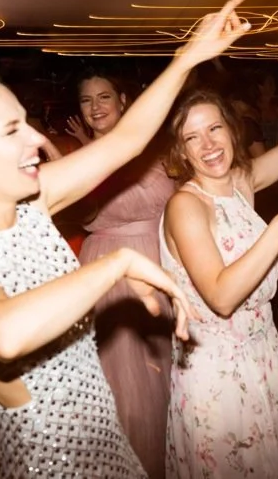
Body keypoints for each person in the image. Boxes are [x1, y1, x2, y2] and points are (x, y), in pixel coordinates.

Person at [0, 0, 249, 478]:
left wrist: (189, 55)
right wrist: (116, 263)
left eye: (28, 123)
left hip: (111, 449)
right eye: (11, 130)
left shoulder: (35, 203)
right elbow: (4, 334)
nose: (36, 141)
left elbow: (127, 140)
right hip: (52, 467)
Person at [160, 31, 278, 479]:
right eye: (192, 138)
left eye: (214, 128)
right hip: (215, 370)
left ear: (232, 128)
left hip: (261, 353)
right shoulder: (186, 206)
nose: (208, 145)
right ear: (181, 152)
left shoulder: (240, 184)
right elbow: (221, 296)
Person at [69, 67, 176, 479]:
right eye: (86, 100)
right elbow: (85, 213)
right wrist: (88, 163)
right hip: (107, 268)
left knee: (165, 368)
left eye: (104, 97)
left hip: (162, 260)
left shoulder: (156, 147)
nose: (95, 107)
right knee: (124, 377)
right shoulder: (81, 159)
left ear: (123, 101)